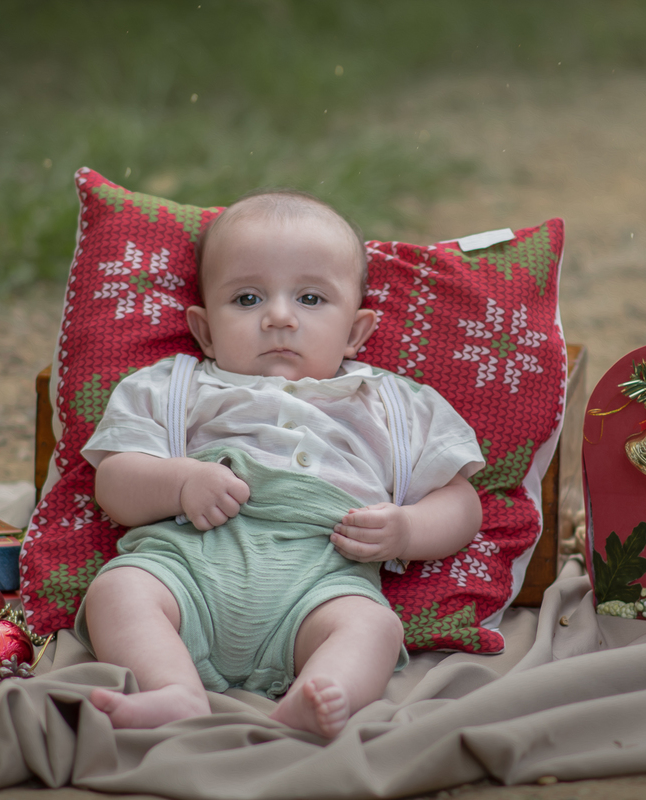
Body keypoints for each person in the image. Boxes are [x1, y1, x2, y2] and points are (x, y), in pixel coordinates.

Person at [75, 189, 484, 737]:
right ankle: (173, 691)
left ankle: (323, 693)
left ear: (357, 332)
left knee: (375, 627)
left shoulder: (393, 402)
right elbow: (114, 484)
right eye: (247, 299)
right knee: (118, 591)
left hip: (320, 582)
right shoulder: (173, 386)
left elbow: (461, 501)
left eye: (311, 299)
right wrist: (180, 483)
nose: (279, 318)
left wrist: (408, 529)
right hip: (190, 566)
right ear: (204, 329)